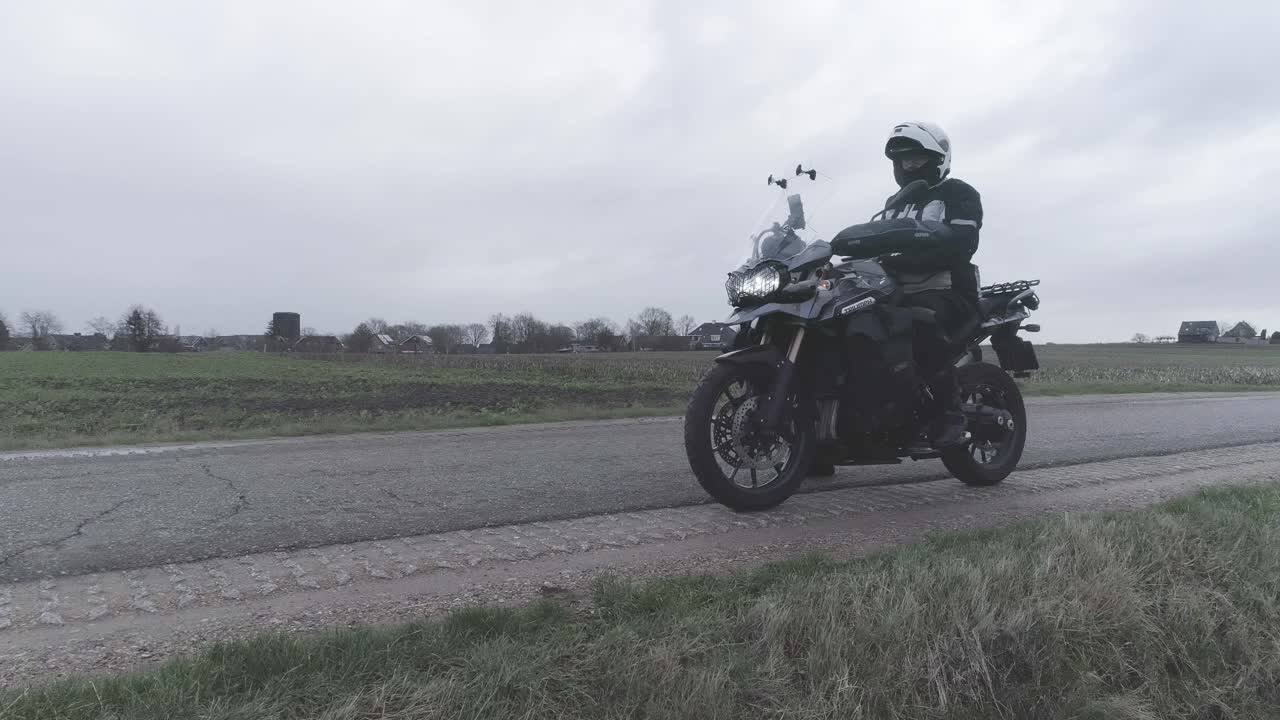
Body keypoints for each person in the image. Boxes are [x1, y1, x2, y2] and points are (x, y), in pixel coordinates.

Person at [825, 122, 984, 459]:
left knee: (918, 321)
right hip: (894, 292)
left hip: (948, 289)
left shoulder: (959, 193)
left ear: (938, 159)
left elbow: (963, 243)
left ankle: (950, 412)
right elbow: (878, 244)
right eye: (900, 161)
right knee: (841, 325)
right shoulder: (895, 203)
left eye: (914, 159)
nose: (906, 166)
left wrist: (901, 258)